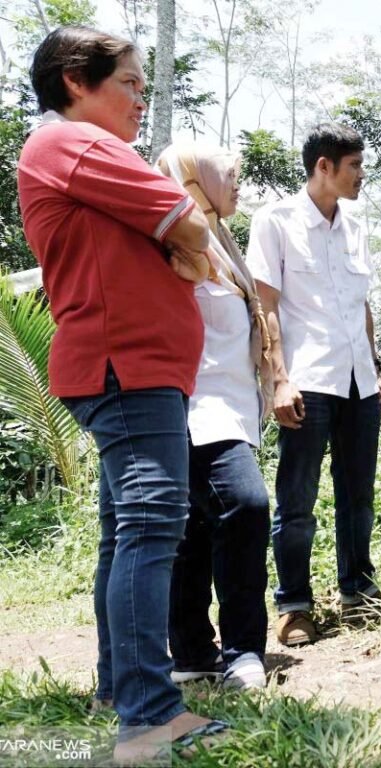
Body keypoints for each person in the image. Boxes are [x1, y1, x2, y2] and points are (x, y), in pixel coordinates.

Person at [17, 25, 227, 762]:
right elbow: (191, 225)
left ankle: (120, 685)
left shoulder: (81, 154)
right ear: (78, 79)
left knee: (127, 528)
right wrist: (181, 235)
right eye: (132, 83)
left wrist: (180, 244)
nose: (142, 99)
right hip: (125, 364)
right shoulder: (77, 144)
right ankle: (147, 715)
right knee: (152, 524)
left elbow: (188, 248)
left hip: (132, 365)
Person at [247, 122, 381, 647]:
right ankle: (294, 605)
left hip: (358, 382)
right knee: (298, 498)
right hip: (307, 381)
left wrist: (372, 368)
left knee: (359, 495)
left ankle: (357, 591)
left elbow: (362, 303)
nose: (361, 175)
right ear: (323, 167)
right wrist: (278, 380)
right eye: (354, 166)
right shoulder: (275, 221)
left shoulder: (356, 223)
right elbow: (266, 306)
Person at [156, 143, 273, 690]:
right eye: (230, 175)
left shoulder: (220, 246)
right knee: (247, 506)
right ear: (195, 179)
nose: (239, 185)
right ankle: (244, 650)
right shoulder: (166, 242)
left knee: (198, 528)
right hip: (190, 404)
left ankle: (193, 652)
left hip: (231, 406)